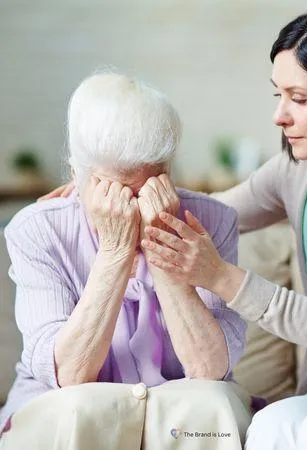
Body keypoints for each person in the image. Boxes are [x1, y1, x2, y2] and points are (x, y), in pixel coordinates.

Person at [38, 4, 307, 449]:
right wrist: (115, 191)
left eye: (299, 99)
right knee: (268, 426)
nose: (279, 116)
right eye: (277, 95)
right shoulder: (298, 173)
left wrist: (218, 276)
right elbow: (206, 213)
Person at [0, 72, 252, 450]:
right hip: (66, 406)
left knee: (210, 405)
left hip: (179, 413)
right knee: (79, 410)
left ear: (169, 170)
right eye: (115, 189)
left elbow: (209, 370)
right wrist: (116, 253)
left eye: (152, 185)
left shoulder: (213, 221)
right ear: (76, 175)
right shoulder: (37, 230)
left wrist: (163, 252)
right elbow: (70, 374)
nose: (134, 208)